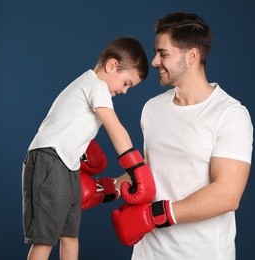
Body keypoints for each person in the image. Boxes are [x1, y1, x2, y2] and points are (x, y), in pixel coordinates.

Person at [112, 12, 254, 259]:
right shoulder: (152, 108)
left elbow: (227, 194)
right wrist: (106, 188)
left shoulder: (229, 114)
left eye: (163, 54)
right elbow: (151, 170)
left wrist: (155, 215)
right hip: (148, 253)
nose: (155, 61)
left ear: (191, 56)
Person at [22, 36, 156, 260]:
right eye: (126, 83)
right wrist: (137, 167)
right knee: (45, 239)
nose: (124, 91)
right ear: (112, 66)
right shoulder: (95, 85)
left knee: (70, 235)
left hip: (67, 164)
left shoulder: (89, 86)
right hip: (50, 159)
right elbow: (116, 130)